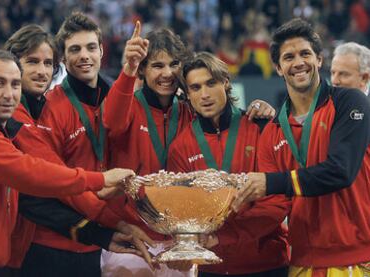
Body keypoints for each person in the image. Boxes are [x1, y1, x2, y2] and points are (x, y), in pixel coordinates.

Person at [102, 21, 276, 276]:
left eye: (174, 65)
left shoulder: (188, 110)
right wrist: (128, 69)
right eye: (157, 66)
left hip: (182, 240)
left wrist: (260, 107)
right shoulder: (129, 105)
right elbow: (112, 122)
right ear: (143, 70)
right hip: (134, 236)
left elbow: (224, 117)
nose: (167, 73)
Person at [0, 49, 135, 277]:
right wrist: (99, 179)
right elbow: (29, 172)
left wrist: (101, 234)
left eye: (15, 84)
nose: (9, 94)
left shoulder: (6, 134)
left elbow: (32, 201)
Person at [0, 24, 153, 277]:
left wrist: (132, 69)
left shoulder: (113, 96)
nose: (41, 71)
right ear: (66, 59)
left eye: (47, 63)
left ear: (102, 51)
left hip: (92, 240)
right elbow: (53, 178)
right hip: (45, 244)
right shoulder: (34, 111)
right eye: (32, 62)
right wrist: (108, 208)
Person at [232, 18, 370, 276]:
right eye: (288, 57)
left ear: (319, 60)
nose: (298, 63)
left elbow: (341, 171)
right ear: (278, 68)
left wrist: (269, 182)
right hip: (302, 264)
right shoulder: (272, 130)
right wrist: (223, 231)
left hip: (357, 260)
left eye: (305, 53)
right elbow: (274, 205)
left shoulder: (350, 103)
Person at [166, 51, 290, 277]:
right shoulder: (181, 146)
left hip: (266, 264)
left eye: (210, 83)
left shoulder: (260, 128)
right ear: (187, 95)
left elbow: (277, 202)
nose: (204, 94)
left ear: (225, 82)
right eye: (195, 88)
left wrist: (226, 236)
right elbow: (182, 211)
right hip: (212, 268)